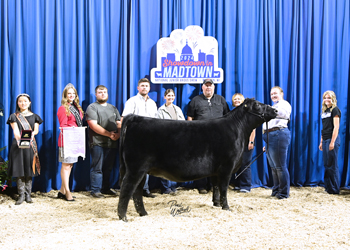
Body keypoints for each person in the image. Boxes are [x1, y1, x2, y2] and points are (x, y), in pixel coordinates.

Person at [187, 78, 229, 194]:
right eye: (206, 85)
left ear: (214, 87)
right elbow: (190, 117)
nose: (208, 87)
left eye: (210, 86)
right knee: (201, 161)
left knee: (217, 161)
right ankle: (201, 186)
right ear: (202, 87)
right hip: (201, 136)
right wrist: (191, 134)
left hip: (219, 137)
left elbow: (227, 117)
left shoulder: (221, 100)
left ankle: (214, 185)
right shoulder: (195, 100)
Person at [122, 78, 158, 198]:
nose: (144, 88)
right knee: (134, 166)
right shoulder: (132, 101)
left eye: (146, 86)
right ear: (138, 88)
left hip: (150, 138)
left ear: (149, 88)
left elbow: (156, 121)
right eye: (142, 86)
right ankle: (131, 190)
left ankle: (144, 189)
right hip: (135, 139)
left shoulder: (153, 103)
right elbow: (125, 120)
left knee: (147, 164)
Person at [86, 85, 121, 198]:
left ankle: (106, 188)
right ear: (96, 94)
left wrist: (119, 134)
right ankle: (95, 191)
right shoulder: (92, 107)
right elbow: (93, 125)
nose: (102, 94)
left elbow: (119, 123)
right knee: (97, 167)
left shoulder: (113, 108)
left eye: (104, 92)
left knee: (108, 167)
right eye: (100, 92)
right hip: (97, 143)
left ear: (107, 94)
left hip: (112, 143)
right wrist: (110, 134)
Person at [7, 93, 43, 205]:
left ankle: (28, 194)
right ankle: (21, 194)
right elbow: (16, 131)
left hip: (30, 146)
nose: (23, 103)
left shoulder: (35, 116)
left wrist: (31, 134)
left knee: (29, 169)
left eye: (25, 101)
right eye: (20, 101)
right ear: (17, 103)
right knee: (19, 170)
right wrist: (21, 139)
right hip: (18, 145)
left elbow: (36, 130)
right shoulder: (14, 116)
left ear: (29, 102)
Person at [262, 86, 291, 199]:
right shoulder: (274, 106)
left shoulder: (284, 104)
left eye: (275, 93)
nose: (273, 95)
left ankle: (283, 193)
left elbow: (284, 115)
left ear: (281, 93)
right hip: (270, 136)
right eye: (272, 94)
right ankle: (276, 190)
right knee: (274, 167)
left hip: (278, 134)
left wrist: (268, 110)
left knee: (280, 166)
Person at [57, 83, 84, 201]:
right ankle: (67, 192)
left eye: (73, 94)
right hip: (66, 139)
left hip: (75, 139)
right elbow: (62, 125)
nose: (71, 95)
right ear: (65, 95)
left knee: (70, 165)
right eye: (69, 94)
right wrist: (70, 128)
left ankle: (62, 191)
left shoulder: (77, 108)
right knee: (66, 165)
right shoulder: (63, 108)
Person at [156, 89, 185, 195]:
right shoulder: (161, 110)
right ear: (164, 97)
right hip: (166, 140)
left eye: (172, 95)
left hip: (177, 140)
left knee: (175, 164)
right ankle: (165, 188)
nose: (171, 97)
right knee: (165, 164)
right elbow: (159, 126)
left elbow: (183, 124)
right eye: (168, 95)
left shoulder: (177, 109)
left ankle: (173, 186)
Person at [231, 93, 255, 193]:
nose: (237, 100)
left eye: (239, 99)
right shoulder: (233, 113)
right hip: (236, 143)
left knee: (245, 163)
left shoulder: (248, 113)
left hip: (246, 142)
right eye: (235, 99)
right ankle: (238, 184)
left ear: (243, 101)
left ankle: (246, 186)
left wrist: (251, 141)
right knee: (237, 164)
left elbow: (253, 129)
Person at [319, 91, 341, 194]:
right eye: (325, 98)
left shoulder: (335, 110)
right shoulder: (325, 111)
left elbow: (336, 127)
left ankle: (335, 189)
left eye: (329, 98)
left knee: (332, 165)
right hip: (325, 139)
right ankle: (328, 187)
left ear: (333, 99)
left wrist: (332, 142)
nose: (327, 100)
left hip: (332, 140)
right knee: (326, 165)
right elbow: (324, 128)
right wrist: (321, 141)